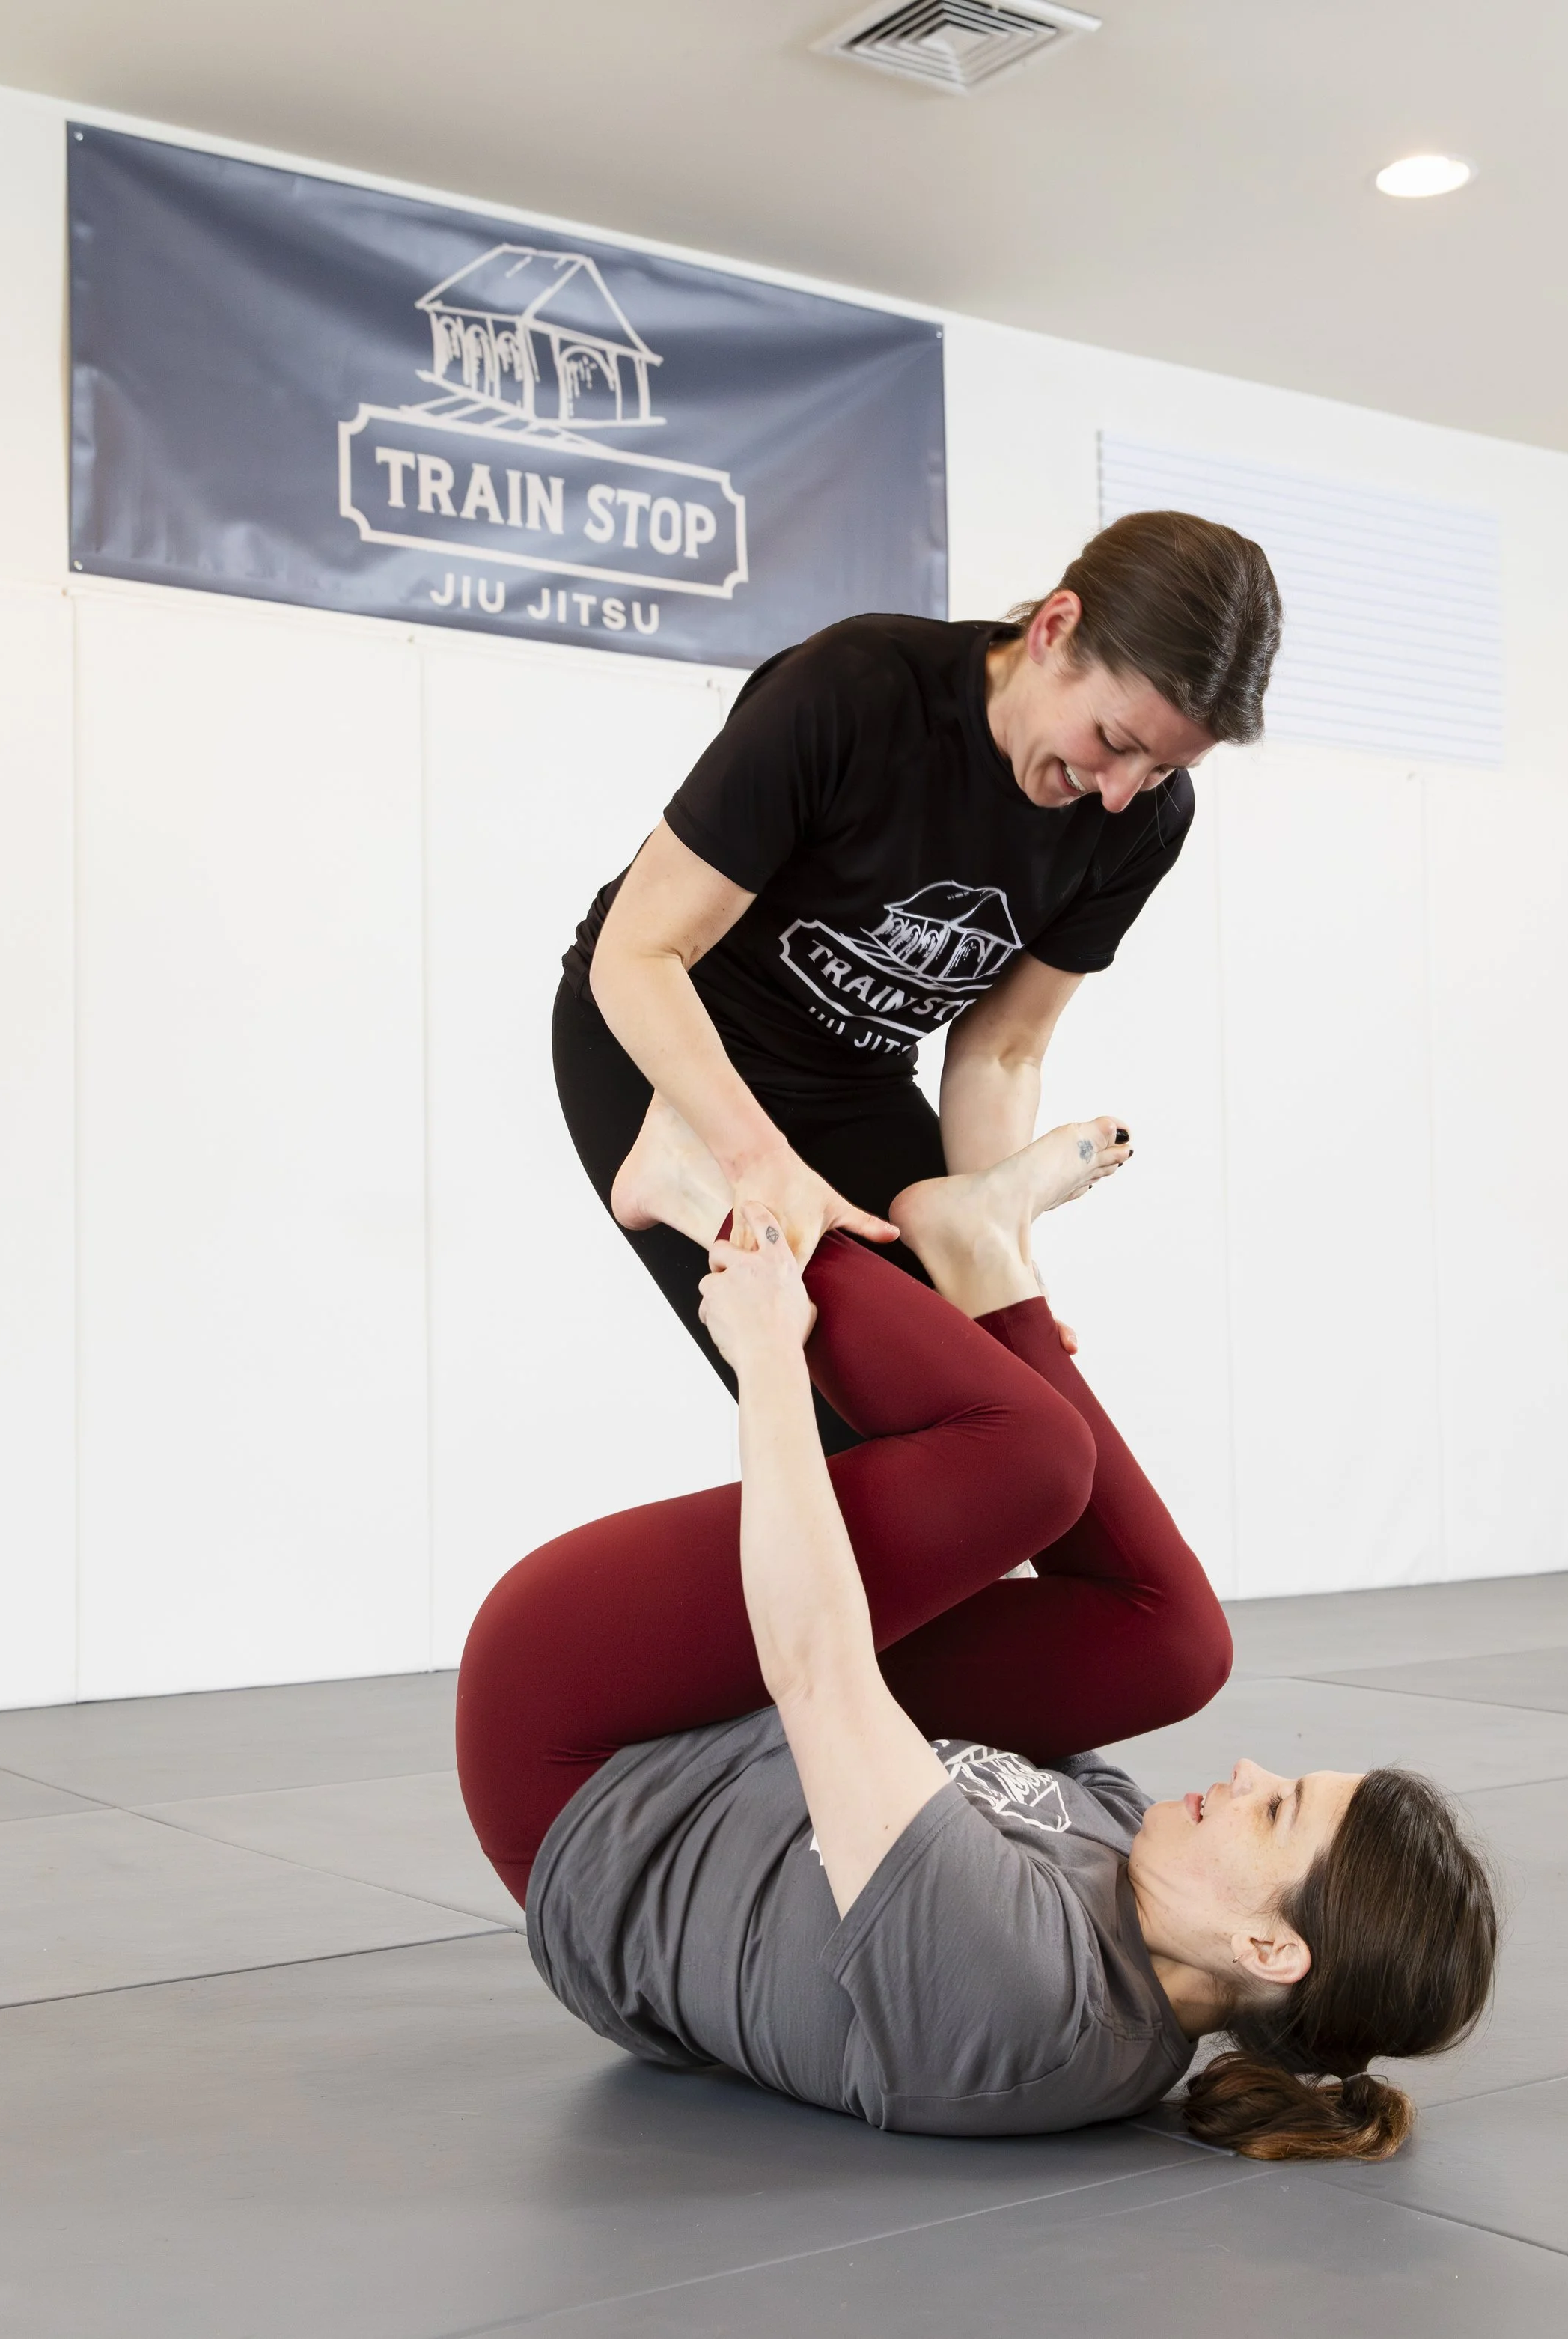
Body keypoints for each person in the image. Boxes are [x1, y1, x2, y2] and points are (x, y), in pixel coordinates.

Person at [457, 1111, 1497, 2160]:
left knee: (1028, 1460)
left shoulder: (1022, 1989)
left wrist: (769, 1346)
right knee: (1177, 1645)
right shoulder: (1150, 1882)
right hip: (736, 1730)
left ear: (1270, 1946)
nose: (1244, 1768)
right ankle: (986, 1262)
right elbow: (1043, 1672)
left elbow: (818, 1669)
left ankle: (709, 1193)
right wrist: (989, 1364)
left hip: (585, 1768)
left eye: (1276, 1809)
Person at [554, 510, 1282, 1446]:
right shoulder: (854, 693)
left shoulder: (1144, 820)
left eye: (1161, 767)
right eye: (1112, 737)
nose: (1117, 790)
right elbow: (639, 951)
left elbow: (1003, 1047)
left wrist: (995, 1247)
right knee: (870, 1416)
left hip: (851, 1079)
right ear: (1055, 628)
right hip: (663, 1048)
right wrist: (759, 1163)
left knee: (989, 1416)